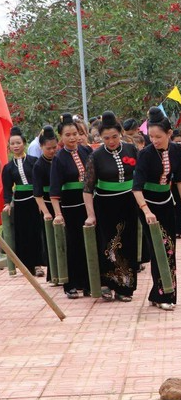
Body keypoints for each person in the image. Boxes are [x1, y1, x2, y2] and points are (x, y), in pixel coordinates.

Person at [132, 107, 181, 311]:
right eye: (151, 136)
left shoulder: (176, 150)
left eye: (158, 136)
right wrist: (146, 210)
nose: (154, 140)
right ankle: (161, 293)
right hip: (147, 204)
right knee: (158, 248)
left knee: (170, 248)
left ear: (169, 134)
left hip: (166, 202)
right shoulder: (146, 154)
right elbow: (136, 188)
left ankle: (166, 292)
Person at [83, 111, 140, 302]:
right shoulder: (96, 156)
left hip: (129, 203)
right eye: (106, 138)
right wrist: (91, 215)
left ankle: (125, 288)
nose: (111, 141)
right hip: (105, 205)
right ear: (100, 137)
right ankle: (107, 284)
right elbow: (88, 188)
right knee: (108, 245)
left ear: (121, 133)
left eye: (114, 136)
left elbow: (139, 178)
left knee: (129, 243)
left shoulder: (131, 150)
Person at [50, 113, 93, 298]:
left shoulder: (86, 152)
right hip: (70, 207)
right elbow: (54, 191)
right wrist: (58, 214)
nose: (72, 137)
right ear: (61, 137)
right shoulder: (59, 158)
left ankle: (88, 282)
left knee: (88, 244)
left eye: (75, 133)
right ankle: (71, 284)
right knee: (73, 245)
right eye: (68, 135)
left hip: (88, 206)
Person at [2, 126, 43, 276]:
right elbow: (7, 188)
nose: (15, 146)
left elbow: (40, 181)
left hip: (35, 200)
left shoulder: (34, 161)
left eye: (18, 143)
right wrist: (7, 204)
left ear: (24, 143)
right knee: (22, 233)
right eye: (12, 144)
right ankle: (27, 266)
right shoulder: (8, 168)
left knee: (36, 232)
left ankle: (38, 264)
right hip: (19, 203)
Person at [33, 125, 59, 283]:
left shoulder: (60, 159)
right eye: (48, 148)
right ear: (41, 147)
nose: (52, 151)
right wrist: (46, 212)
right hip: (48, 205)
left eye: (55, 147)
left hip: (63, 203)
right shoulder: (38, 166)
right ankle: (55, 275)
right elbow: (37, 194)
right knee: (51, 242)